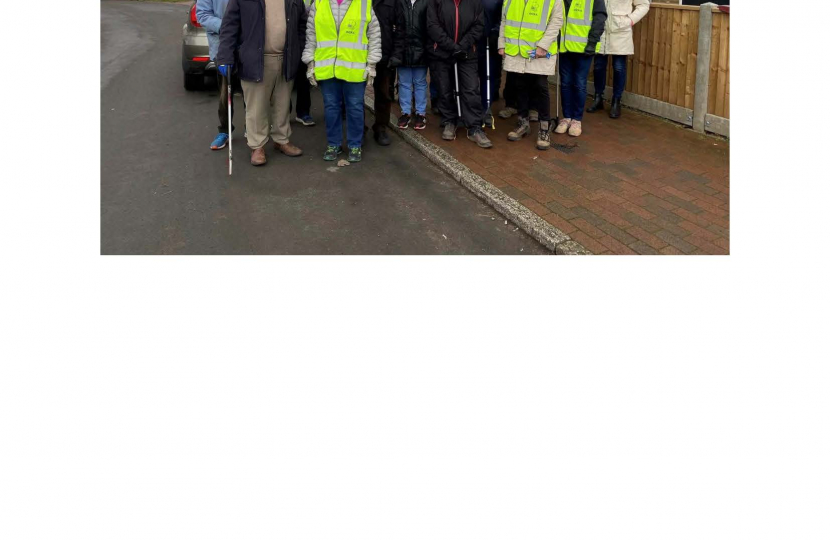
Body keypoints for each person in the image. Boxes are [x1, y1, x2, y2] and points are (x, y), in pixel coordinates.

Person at [217, 0, 307, 166]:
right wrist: (225, 57)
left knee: (283, 104)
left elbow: (302, 24)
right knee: (256, 107)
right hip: (255, 60)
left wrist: (299, 49)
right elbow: (229, 26)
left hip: (286, 59)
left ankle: (282, 139)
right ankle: (257, 146)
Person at [303, 0, 382, 162]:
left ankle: (355, 145)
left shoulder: (363, 4)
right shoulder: (319, 4)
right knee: (331, 108)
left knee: (355, 108)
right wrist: (310, 62)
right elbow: (311, 35)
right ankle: (333, 144)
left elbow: (374, 33)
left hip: (354, 68)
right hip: (327, 67)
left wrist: (372, 64)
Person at [427, 0, 493, 148]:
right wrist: (452, 46)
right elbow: (432, 26)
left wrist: (462, 46)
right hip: (442, 52)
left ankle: (474, 127)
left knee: (471, 89)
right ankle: (449, 121)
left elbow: (478, 25)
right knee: (444, 89)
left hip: (467, 52)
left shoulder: (475, 2)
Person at [498, 0, 563, 150]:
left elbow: (556, 22)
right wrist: (502, 44)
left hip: (539, 52)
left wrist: (543, 46)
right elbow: (504, 20)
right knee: (520, 86)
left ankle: (544, 129)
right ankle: (523, 123)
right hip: (517, 52)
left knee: (540, 87)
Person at [586, 0, 649, 118]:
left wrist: (630, 20)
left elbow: (644, 5)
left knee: (619, 67)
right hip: (601, 29)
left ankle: (616, 101)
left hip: (621, 31)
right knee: (598, 66)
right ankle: (598, 97)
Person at [555, 0, 606, 137]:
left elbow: (600, 18)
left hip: (584, 49)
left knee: (579, 84)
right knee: (565, 83)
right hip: (564, 47)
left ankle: (577, 119)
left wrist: (592, 42)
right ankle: (566, 117)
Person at [196, 0, 241, 151]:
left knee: (253, 90)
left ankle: (253, 128)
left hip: (248, 46)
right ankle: (224, 131)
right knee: (225, 92)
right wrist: (226, 26)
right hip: (221, 47)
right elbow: (202, 14)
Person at [389, 0, 430, 131]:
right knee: (404, 83)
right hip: (403, 50)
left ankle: (420, 113)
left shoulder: (427, 2)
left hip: (422, 49)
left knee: (420, 82)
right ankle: (405, 113)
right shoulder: (399, 2)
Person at [370, 0, 397, 146]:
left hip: (384, 54)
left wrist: (396, 54)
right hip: (358, 55)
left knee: (383, 94)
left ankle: (381, 127)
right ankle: (358, 129)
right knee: (355, 97)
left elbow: (400, 27)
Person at [477, 0, 502, 126]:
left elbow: (503, 15)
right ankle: (470, 108)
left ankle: (486, 108)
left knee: (488, 75)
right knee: (468, 76)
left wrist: (495, 31)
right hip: (469, 40)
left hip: (489, 41)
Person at [293, 0, 316, 126]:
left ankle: (303, 112)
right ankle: (284, 114)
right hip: (283, 43)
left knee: (303, 80)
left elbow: (303, 22)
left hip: (303, 41)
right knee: (285, 82)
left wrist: (302, 42)